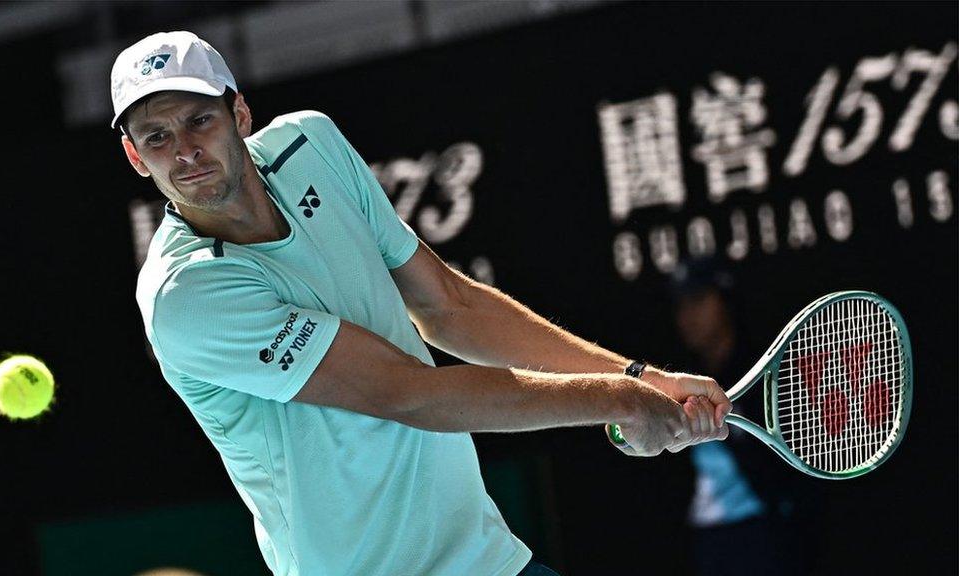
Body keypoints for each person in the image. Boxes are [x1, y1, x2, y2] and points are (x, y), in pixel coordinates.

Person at [114, 31, 731, 576]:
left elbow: (449, 306)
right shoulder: (187, 295)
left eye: (200, 120)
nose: (185, 151)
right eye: (157, 137)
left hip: (487, 559)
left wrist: (637, 377)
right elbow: (409, 393)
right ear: (136, 157)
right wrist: (617, 402)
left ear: (239, 112)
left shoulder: (313, 146)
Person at [670, 259, 818, 576]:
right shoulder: (678, 379)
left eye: (698, 300)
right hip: (706, 540)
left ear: (724, 301)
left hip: (763, 537)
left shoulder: (771, 378)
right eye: (681, 305)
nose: (687, 317)